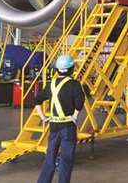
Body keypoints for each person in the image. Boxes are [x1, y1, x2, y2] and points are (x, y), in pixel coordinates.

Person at [35, 55, 86, 183]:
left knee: (50, 157)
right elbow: (80, 102)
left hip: (53, 126)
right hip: (68, 127)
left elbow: (37, 100)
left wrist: (43, 117)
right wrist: (74, 116)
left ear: (57, 70)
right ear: (72, 69)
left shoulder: (51, 84)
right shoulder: (74, 84)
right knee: (66, 159)